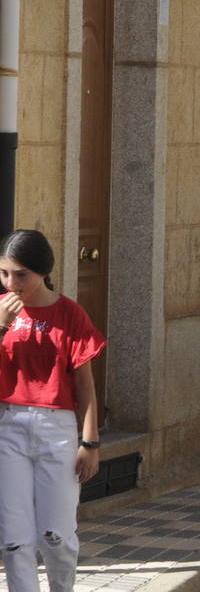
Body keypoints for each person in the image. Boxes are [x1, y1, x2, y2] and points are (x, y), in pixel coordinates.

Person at [0, 230, 106, 592]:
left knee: (56, 535)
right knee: (13, 540)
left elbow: (85, 385)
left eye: (21, 275)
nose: (12, 283)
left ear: (43, 272)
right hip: (9, 426)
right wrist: (0, 325)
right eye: (4, 273)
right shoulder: (1, 312)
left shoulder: (68, 313)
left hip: (56, 429)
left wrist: (89, 442)